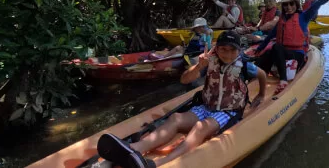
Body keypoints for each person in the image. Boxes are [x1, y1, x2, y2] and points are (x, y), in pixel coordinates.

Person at [97, 31, 267, 168]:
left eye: (232, 50)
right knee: (175, 118)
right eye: (223, 49)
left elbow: (262, 74)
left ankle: (159, 163)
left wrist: (261, 94)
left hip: (228, 111)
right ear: (217, 49)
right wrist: (199, 66)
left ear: (238, 50)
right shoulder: (208, 62)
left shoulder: (245, 66)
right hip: (206, 106)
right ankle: (133, 149)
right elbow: (185, 80)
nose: (228, 54)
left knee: (200, 127)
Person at [256, 0, 329, 96]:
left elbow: (316, 6)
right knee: (268, 53)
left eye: (291, 4)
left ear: (296, 4)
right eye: (286, 4)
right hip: (283, 53)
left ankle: (283, 80)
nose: (289, 7)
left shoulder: (304, 16)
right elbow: (270, 36)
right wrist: (259, 49)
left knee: (276, 47)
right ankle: (258, 77)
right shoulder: (282, 20)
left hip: (297, 55)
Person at [147, 17, 212, 60]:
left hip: (194, 54)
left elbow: (208, 47)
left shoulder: (205, 35)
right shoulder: (195, 34)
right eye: (197, 27)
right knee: (178, 47)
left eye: (201, 27)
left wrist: (207, 36)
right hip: (188, 50)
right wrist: (185, 46)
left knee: (180, 53)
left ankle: (165, 59)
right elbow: (191, 43)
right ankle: (164, 57)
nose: (198, 28)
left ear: (203, 27)